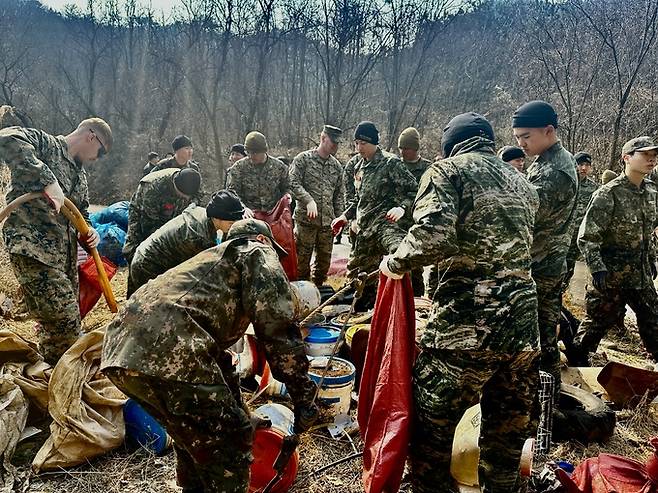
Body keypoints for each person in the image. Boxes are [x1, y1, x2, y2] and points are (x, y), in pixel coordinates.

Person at [380, 112, 540, 493]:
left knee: (432, 434)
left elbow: (434, 237)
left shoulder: (447, 171)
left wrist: (395, 263)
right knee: (505, 437)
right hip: (521, 331)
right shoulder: (523, 183)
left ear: (451, 144)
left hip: (466, 329)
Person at [102, 218, 319, 493]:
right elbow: (278, 330)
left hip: (120, 353)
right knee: (230, 440)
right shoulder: (256, 252)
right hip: (168, 351)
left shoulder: (210, 268)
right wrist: (304, 396)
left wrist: (241, 411)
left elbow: (215, 359)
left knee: (193, 437)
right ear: (262, 240)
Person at [0, 117, 112, 365]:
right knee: (64, 321)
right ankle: (61, 376)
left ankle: (51, 374)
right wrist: (47, 180)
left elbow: (81, 213)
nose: (98, 158)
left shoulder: (79, 176)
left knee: (62, 325)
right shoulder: (45, 145)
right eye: (101, 152)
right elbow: (7, 137)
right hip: (33, 250)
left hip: (64, 259)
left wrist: (89, 232)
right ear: (91, 136)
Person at [567, 137, 658, 366]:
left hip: (641, 276)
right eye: (645, 154)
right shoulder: (609, 193)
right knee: (594, 327)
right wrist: (597, 268)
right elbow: (588, 237)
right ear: (626, 158)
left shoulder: (651, 193)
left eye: (654, 155)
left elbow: (649, 233)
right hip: (611, 277)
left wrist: (651, 259)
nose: (652, 159)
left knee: (654, 322)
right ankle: (576, 370)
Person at [512, 100, 578, 393]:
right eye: (517, 138)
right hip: (538, 261)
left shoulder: (556, 171)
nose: (521, 144)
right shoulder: (545, 160)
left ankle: (548, 397)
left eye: (526, 137)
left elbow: (528, 214)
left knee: (541, 334)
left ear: (548, 130)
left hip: (543, 265)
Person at [332, 121, 417, 309]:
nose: (359, 147)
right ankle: (359, 318)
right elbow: (358, 200)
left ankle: (403, 308)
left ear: (374, 143)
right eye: (356, 143)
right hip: (364, 231)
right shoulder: (358, 167)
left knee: (399, 258)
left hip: (385, 226)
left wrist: (402, 207)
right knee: (356, 280)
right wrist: (345, 217)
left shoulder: (390, 163)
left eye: (363, 143)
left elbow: (414, 191)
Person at [127, 190, 244, 297]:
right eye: (231, 222)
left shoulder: (204, 215)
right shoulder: (198, 237)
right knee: (152, 308)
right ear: (217, 217)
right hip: (148, 265)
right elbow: (203, 276)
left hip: (150, 257)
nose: (234, 225)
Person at [289, 125, 345, 286]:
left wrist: (340, 218)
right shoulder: (303, 159)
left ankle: (318, 294)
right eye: (332, 142)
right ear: (323, 138)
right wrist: (308, 200)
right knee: (301, 263)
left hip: (327, 224)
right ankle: (302, 294)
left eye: (337, 143)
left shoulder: (336, 166)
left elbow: (338, 196)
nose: (335, 146)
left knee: (323, 264)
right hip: (306, 222)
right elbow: (292, 182)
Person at [122, 168, 201, 265]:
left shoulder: (192, 180)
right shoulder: (152, 188)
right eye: (183, 196)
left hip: (171, 210)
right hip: (142, 211)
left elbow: (197, 202)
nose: (187, 199)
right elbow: (149, 227)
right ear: (176, 187)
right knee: (137, 247)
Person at [398, 126, 431, 297]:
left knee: (416, 267)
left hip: (417, 223)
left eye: (407, 148)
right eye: (401, 148)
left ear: (415, 148)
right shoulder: (395, 165)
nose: (403, 152)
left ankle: (417, 303)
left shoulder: (428, 168)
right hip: (397, 224)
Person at [225, 131, 289, 217]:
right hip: (248, 216)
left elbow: (288, 188)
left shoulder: (279, 167)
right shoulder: (239, 167)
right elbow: (231, 192)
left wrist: (285, 200)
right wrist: (243, 208)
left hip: (274, 216)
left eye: (254, 153)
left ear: (264, 151)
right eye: (248, 152)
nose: (251, 156)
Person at [563, 151, 599, 288]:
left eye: (587, 165)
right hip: (559, 238)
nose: (583, 168)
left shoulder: (594, 189)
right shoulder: (565, 183)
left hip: (576, 239)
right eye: (580, 164)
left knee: (568, 271)